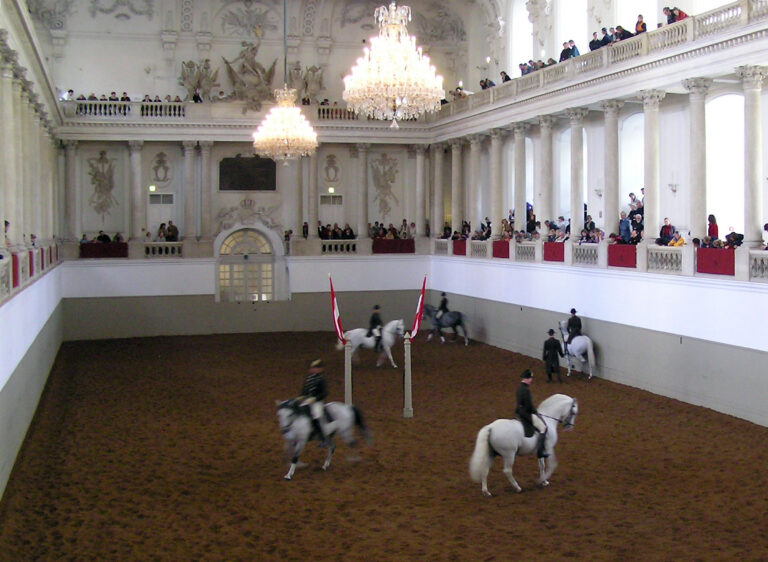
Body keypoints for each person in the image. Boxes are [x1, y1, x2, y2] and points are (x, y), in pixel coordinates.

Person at [298, 359, 332, 447]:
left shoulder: (321, 379)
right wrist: (301, 396)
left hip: (317, 402)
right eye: (312, 368)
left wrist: (315, 399)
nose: (313, 369)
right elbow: (305, 389)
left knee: (317, 416)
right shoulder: (308, 378)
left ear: (320, 369)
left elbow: (325, 393)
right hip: (307, 400)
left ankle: (323, 438)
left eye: (316, 368)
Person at [516, 369, 548, 458]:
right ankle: (540, 452)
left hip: (519, 411)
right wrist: (536, 412)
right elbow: (529, 405)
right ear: (526, 378)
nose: (531, 380)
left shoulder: (519, 387)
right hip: (526, 414)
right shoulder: (526, 390)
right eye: (530, 378)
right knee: (543, 428)